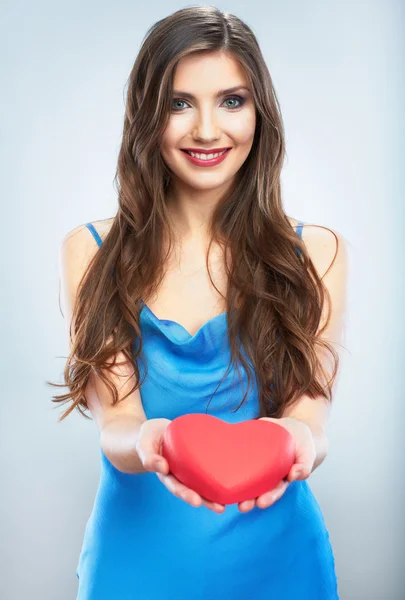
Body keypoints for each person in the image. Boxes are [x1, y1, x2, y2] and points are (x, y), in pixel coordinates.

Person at [52, 6, 347, 599]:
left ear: (260, 113)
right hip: (135, 563)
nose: (207, 130)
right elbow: (118, 420)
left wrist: (298, 441)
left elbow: (309, 413)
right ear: (146, 115)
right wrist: (149, 442)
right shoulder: (92, 250)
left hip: (281, 563)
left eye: (232, 101)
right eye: (179, 102)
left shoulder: (316, 251)